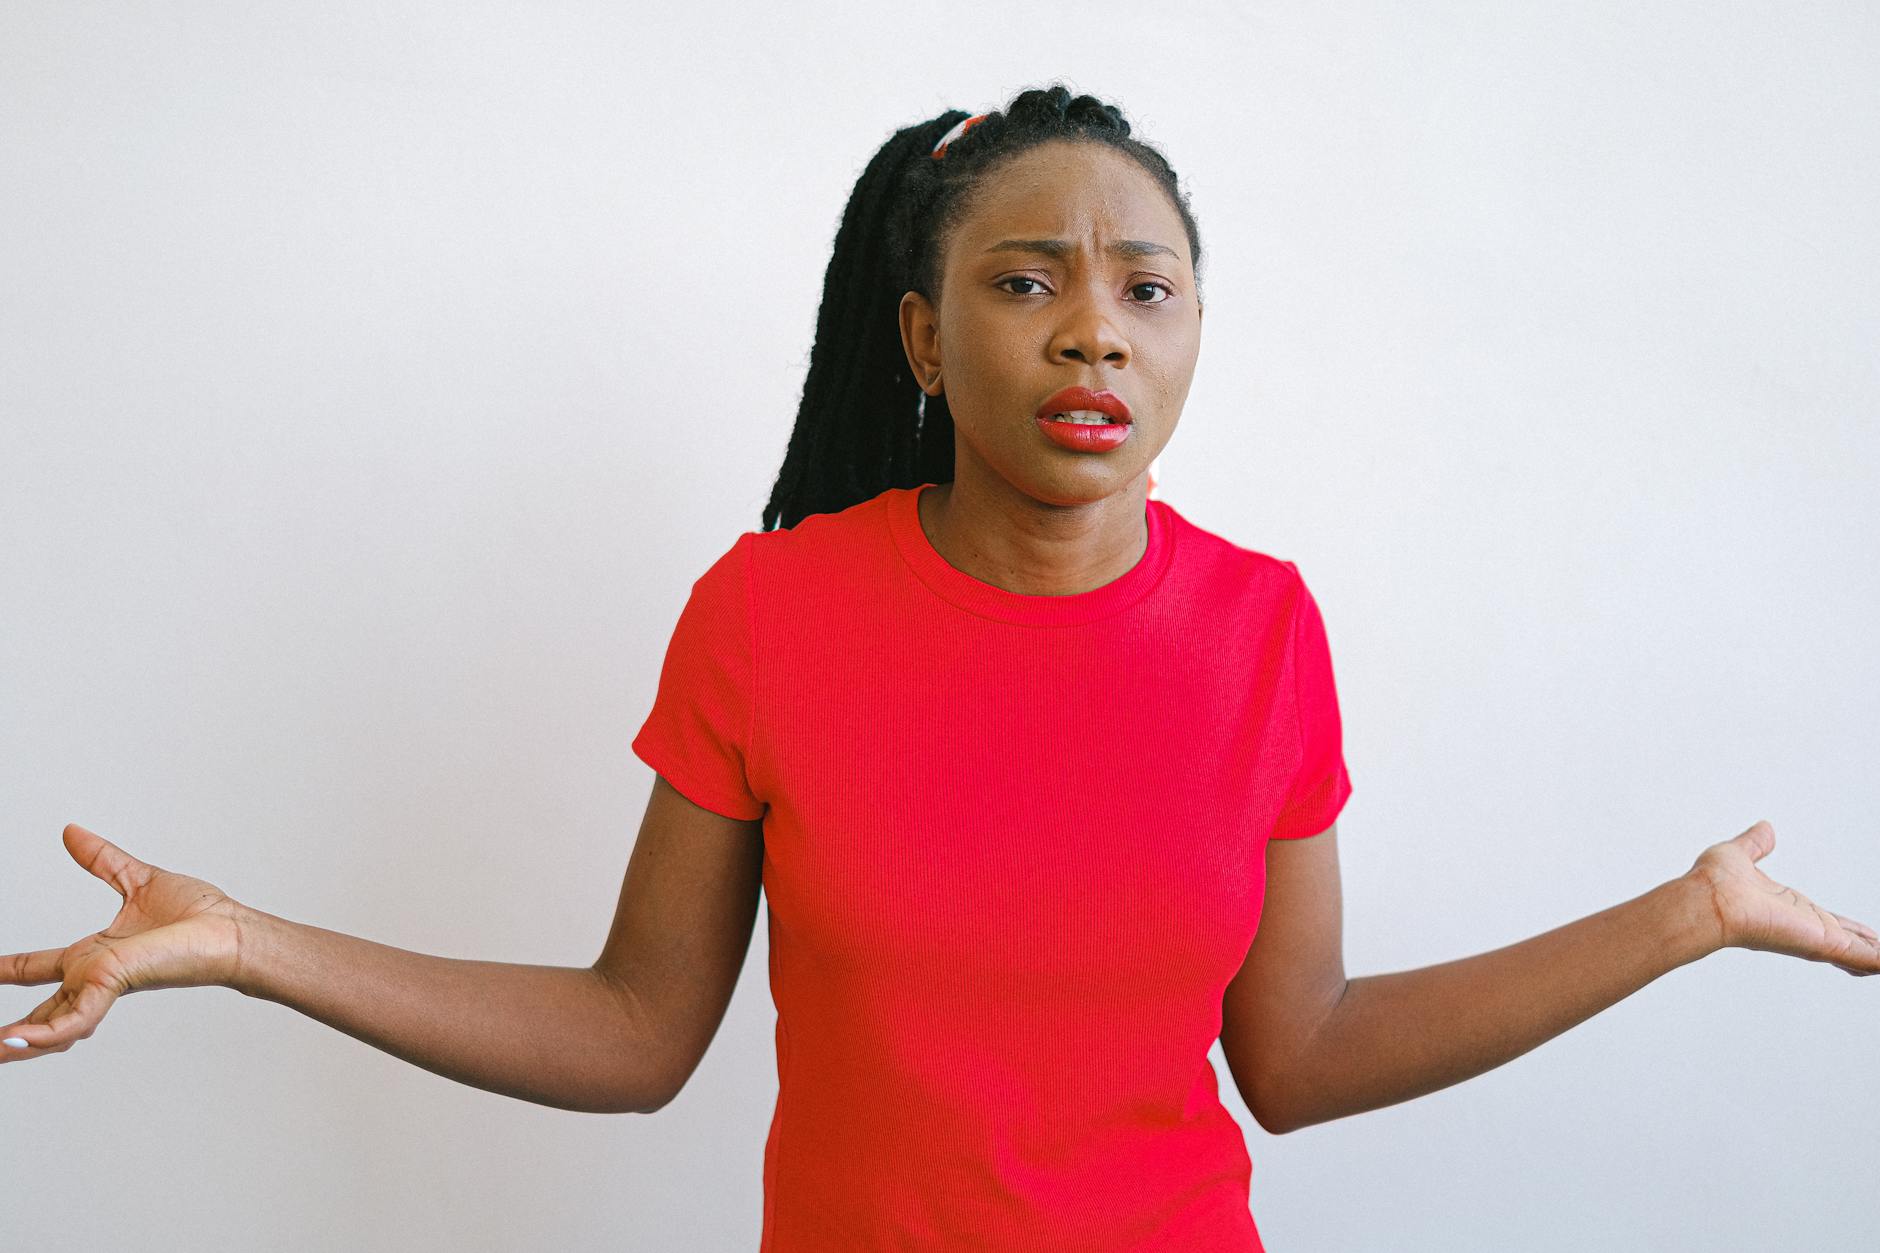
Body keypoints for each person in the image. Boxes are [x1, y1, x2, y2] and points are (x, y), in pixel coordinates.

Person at [4, 82, 1875, 1252]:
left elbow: (1293, 1059)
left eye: (1146, 286)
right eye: (1024, 277)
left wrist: (1683, 918)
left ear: (1197, 332)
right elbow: (636, 1028)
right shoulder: (770, 612)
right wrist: (252, 944)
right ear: (921, 329)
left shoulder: (1264, 631)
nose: (1094, 328)